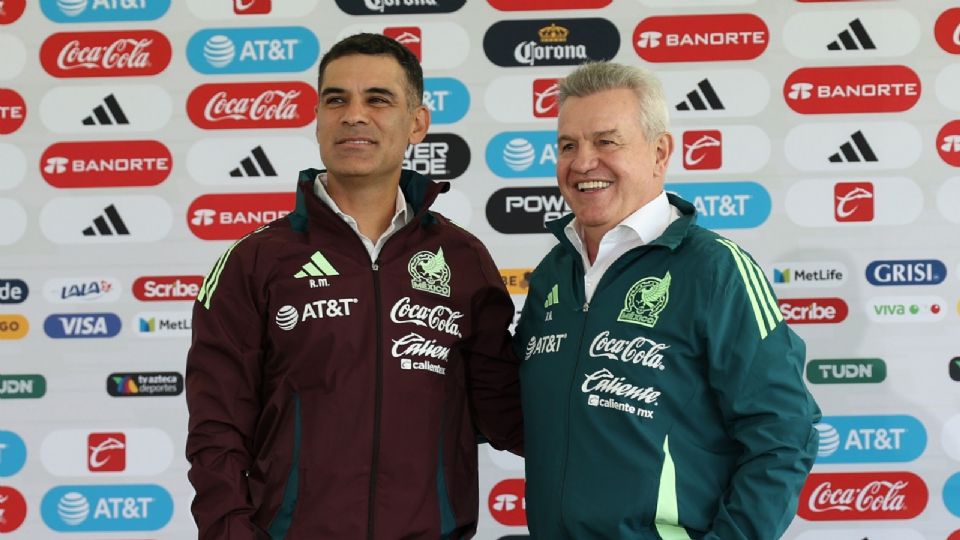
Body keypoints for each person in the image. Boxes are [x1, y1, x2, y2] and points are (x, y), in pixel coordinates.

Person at [185, 33, 522, 540]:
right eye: (336, 100)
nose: (354, 116)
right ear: (318, 119)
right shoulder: (254, 261)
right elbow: (217, 430)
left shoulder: (464, 260)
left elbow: (509, 414)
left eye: (378, 100)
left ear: (417, 123)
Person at [513, 61, 821, 539]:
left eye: (606, 142)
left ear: (659, 153)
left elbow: (784, 433)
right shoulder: (555, 271)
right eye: (568, 145)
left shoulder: (716, 270)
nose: (583, 162)